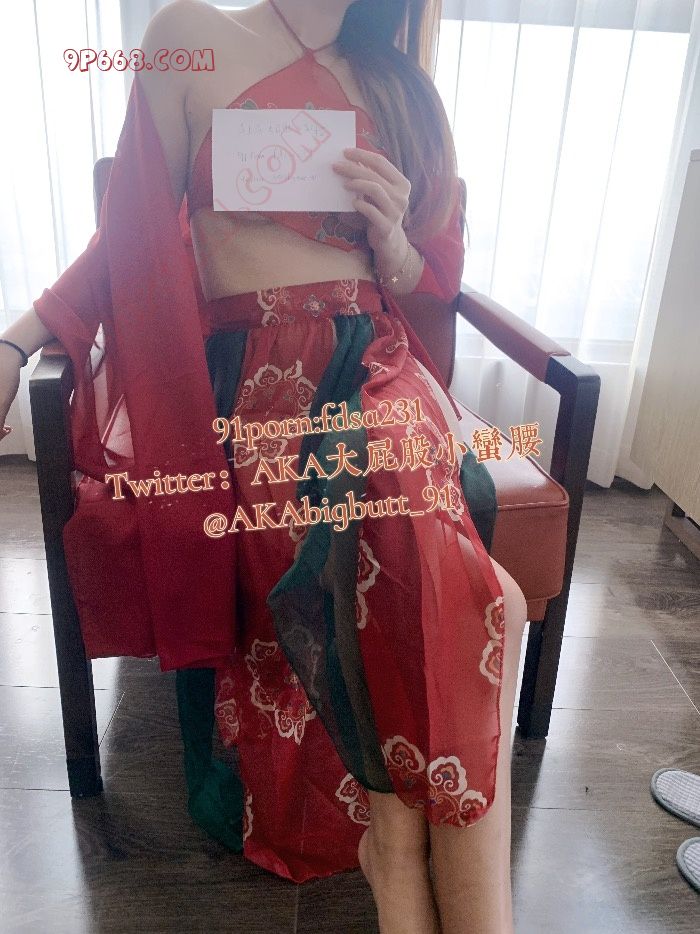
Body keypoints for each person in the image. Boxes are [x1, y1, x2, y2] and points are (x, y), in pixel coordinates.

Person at [0, 1, 529, 931]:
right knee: (487, 597)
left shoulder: (397, 80)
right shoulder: (188, 36)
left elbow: (428, 279)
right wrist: (16, 339)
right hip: (257, 376)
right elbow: (129, 235)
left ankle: (399, 853)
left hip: (378, 360)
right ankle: (412, 862)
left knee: (388, 477)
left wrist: (396, 241)